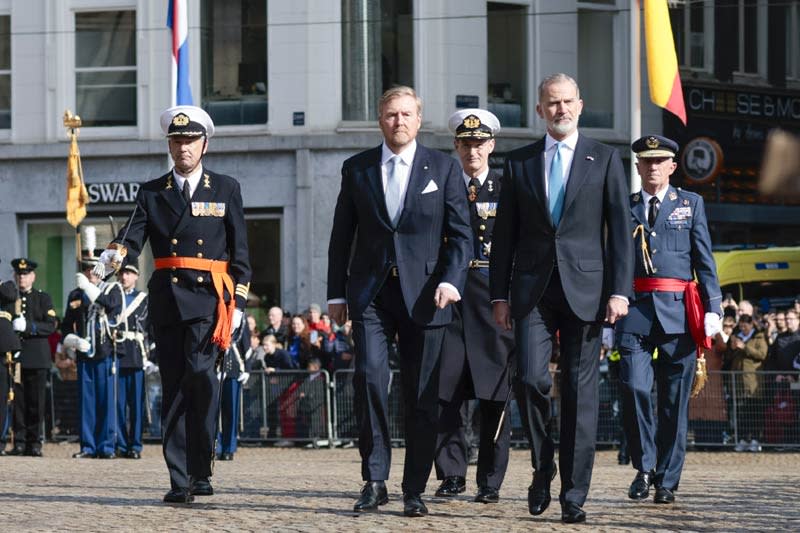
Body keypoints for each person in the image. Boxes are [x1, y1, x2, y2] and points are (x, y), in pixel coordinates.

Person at [489, 73, 633, 524]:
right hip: (531, 289)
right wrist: (498, 295)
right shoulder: (518, 163)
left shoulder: (606, 158)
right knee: (531, 380)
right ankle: (542, 464)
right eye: (552, 103)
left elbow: (620, 234)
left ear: (581, 104)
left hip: (587, 291)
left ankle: (574, 492)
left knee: (579, 393)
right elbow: (503, 238)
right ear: (540, 110)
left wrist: (619, 291)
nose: (561, 109)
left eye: (568, 101)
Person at [93, 105, 251, 503]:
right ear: (169, 145)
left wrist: (240, 306)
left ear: (204, 145)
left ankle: (202, 465)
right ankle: (180, 479)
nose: (183, 147)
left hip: (209, 302)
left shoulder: (225, 188)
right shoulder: (152, 192)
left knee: (202, 380)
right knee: (175, 388)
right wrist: (112, 257)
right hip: (168, 301)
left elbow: (241, 253)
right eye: (176, 140)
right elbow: (133, 237)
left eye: (190, 140)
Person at [327, 85, 471, 517]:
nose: (399, 122)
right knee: (370, 379)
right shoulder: (357, 169)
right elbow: (341, 238)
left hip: (428, 296)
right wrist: (336, 293)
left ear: (419, 119)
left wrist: (451, 279)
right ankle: (374, 479)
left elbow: (461, 236)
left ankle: (414, 487)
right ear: (380, 120)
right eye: (391, 115)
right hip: (371, 294)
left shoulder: (443, 168)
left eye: (407, 114)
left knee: (421, 394)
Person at [614, 135, 722, 506]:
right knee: (633, 387)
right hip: (635, 309)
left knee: (674, 403)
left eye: (661, 161)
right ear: (638, 167)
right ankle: (643, 467)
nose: (654, 167)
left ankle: (666, 481)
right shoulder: (624, 207)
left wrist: (714, 307)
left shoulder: (690, 204)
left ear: (673, 166)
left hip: (679, 311)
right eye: (647, 161)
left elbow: (704, 259)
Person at [433, 109, 515, 504]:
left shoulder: (506, 190)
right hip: (448, 305)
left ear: (491, 146)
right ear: (456, 146)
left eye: (480, 143)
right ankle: (451, 474)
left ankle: (490, 480)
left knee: (495, 396)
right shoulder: (442, 187)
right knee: (445, 392)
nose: (473, 150)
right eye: (466, 144)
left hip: (493, 304)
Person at [62, 250, 123, 459]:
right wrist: (74, 341)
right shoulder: (75, 295)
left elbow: (110, 305)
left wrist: (88, 288)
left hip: (105, 351)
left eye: (94, 270)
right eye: (87, 270)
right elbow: (65, 326)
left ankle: (106, 446)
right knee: (86, 402)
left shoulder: (112, 288)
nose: (90, 274)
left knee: (106, 401)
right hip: (85, 353)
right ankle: (88, 446)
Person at [8, 258, 58, 457]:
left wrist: (29, 327)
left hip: (37, 357)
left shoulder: (42, 298)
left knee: (36, 402)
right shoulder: (9, 299)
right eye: (19, 274)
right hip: (17, 357)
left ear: (33, 276)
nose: (22, 278)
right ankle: (19, 442)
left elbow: (50, 325)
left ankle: (35, 441)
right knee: (18, 402)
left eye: (26, 274)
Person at [113, 260, 151, 459]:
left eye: (128, 273)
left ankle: (135, 445)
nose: (124, 277)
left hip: (136, 355)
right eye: (122, 273)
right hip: (118, 354)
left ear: (136, 276)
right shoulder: (113, 297)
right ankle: (120, 443)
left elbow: (152, 330)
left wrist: (151, 355)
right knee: (118, 404)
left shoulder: (143, 299)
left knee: (136, 405)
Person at [216, 314, 251, 461]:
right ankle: (215, 446)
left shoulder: (241, 316)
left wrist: (247, 369)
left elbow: (246, 344)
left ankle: (229, 448)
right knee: (213, 412)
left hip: (234, 367)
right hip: (215, 367)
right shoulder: (214, 310)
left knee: (231, 411)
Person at [0, 261, 22, 455]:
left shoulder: (6, 286)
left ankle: (0, 439)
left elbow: (9, 295)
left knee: (1, 397)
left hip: (1, 347)